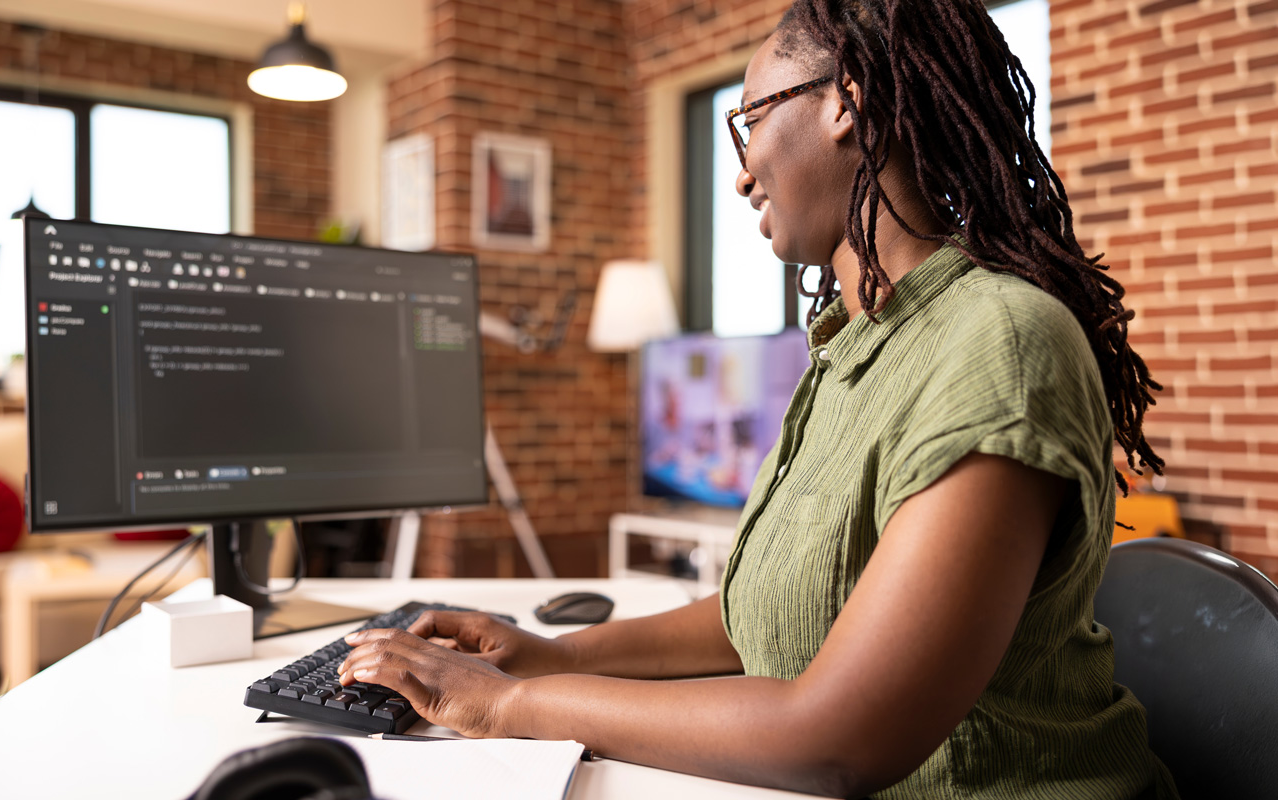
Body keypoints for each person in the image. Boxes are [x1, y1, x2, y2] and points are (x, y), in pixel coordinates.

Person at [336, 1, 1178, 797]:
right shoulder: (846, 350)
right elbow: (764, 609)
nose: (740, 177)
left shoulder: (997, 341)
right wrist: (549, 655)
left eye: (750, 122)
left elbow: (839, 735)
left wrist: (505, 706)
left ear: (845, 101)